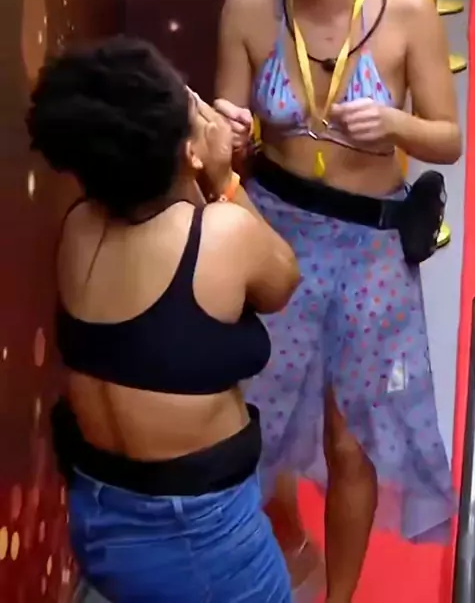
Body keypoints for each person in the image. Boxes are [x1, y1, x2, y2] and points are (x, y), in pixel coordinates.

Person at [214, 0, 460, 603]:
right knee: (256, 414)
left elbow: (447, 140)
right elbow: (229, 137)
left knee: (349, 439)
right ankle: (289, 539)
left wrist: (395, 123)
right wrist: (232, 131)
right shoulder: (248, 7)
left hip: (370, 250)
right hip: (273, 234)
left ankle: (340, 597)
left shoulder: (406, 10)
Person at [26, 37, 302, 603]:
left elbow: (160, 225)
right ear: (188, 152)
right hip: (201, 543)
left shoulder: (79, 227)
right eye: (195, 105)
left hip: (99, 516)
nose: (203, 105)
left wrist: (198, 158)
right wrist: (224, 180)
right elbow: (281, 280)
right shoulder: (219, 236)